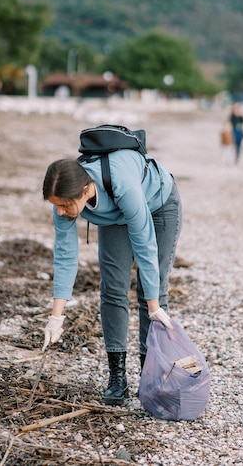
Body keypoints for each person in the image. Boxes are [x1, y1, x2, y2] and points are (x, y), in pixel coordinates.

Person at [42, 147, 182, 406]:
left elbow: (145, 246)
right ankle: (117, 378)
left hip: (157, 205)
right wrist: (55, 318)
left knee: (151, 291)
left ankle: (149, 376)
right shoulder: (64, 199)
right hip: (114, 217)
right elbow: (65, 256)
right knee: (113, 288)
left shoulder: (122, 183)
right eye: (55, 206)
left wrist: (154, 305)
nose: (59, 212)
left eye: (63, 205)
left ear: (85, 191)